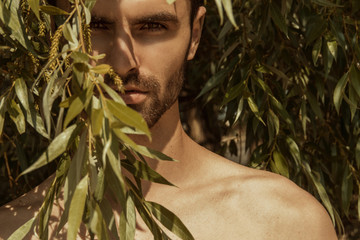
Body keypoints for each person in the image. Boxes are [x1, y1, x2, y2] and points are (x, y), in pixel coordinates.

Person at [0, 0, 338, 239]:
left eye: (153, 27)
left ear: (194, 34)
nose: (122, 62)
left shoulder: (284, 224)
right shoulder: (16, 229)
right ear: (58, 36)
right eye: (95, 27)